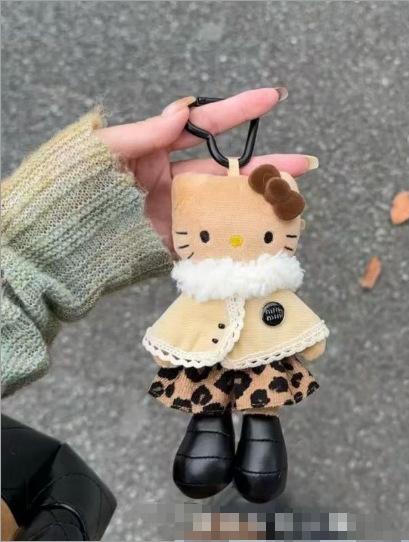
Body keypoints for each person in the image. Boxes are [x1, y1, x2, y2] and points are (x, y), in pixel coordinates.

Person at [1, 88, 317, 538]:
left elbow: (289, 322)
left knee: (259, 405)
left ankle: (244, 462)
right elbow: (181, 330)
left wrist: (24, 255)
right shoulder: (204, 293)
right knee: (213, 405)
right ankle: (226, 460)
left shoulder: (261, 289)